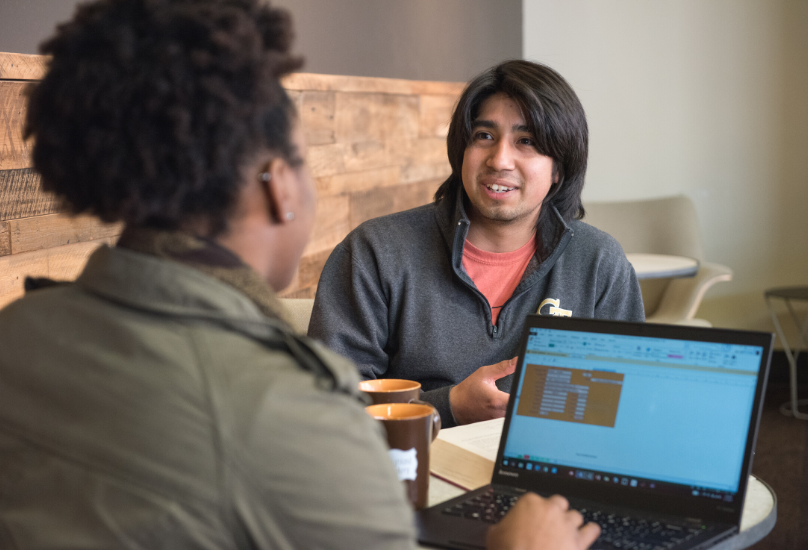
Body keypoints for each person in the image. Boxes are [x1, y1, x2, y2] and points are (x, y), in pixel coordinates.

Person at [0, 1, 600, 548]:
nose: (501, 159)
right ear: (278, 186)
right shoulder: (285, 408)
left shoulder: (18, 333)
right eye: (301, 158)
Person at [309, 60, 645, 429]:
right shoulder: (374, 252)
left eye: (527, 141)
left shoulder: (598, 263)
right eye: (484, 136)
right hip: (411, 473)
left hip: (545, 474)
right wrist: (447, 406)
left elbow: (628, 405)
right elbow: (329, 407)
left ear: (558, 169)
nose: (499, 160)